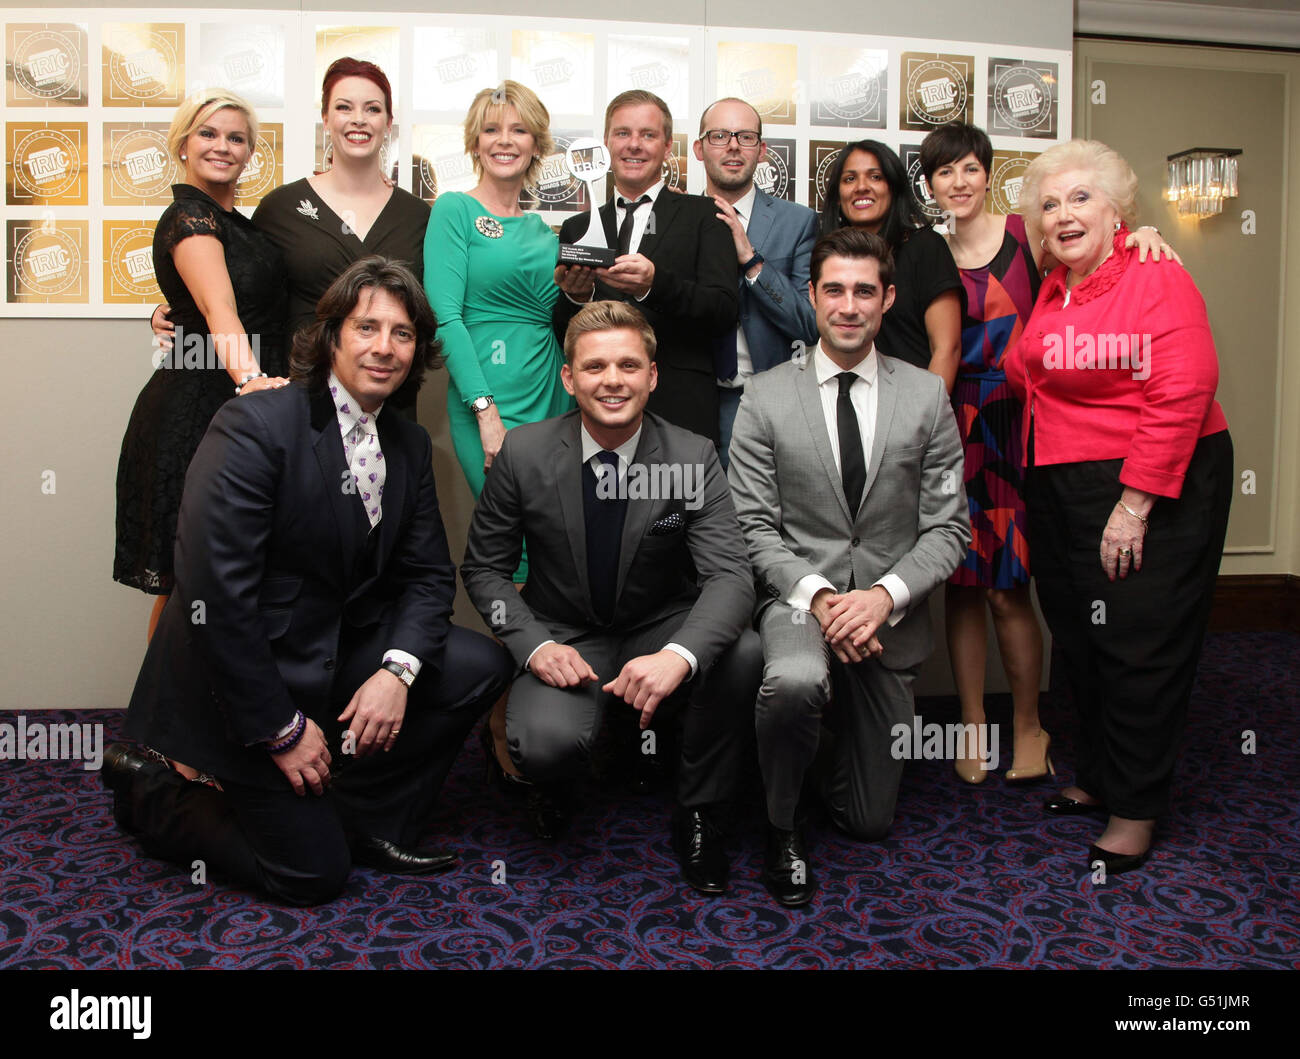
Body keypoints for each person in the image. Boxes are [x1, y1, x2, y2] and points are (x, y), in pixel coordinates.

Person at [102, 258, 514, 906]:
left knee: (476, 662)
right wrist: (281, 728)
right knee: (312, 874)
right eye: (367, 326)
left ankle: (365, 817)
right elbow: (216, 596)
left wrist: (396, 673)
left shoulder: (407, 445)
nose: (384, 346)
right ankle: (150, 792)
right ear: (329, 338)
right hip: (240, 684)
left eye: (402, 333)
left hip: (329, 655)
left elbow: (431, 576)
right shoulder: (256, 424)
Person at [461, 301, 760, 895]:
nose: (613, 380)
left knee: (745, 652)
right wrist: (533, 645)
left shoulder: (692, 456)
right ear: (570, 378)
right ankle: (562, 775)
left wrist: (678, 656)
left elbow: (731, 577)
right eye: (595, 367)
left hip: (658, 628)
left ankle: (700, 811)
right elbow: (485, 571)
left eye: (629, 365)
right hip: (564, 634)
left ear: (653, 375)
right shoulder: (523, 454)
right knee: (545, 746)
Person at [920, 122, 1180, 787]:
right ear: (930, 184)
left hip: (1014, 423)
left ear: (987, 174)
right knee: (961, 587)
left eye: (970, 168)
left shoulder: (1026, 232)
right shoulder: (922, 249)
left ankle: (1030, 722)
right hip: (948, 422)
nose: (959, 182)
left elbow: (1094, 255)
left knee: (1008, 588)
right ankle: (974, 721)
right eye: (944, 172)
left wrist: (1139, 233)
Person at [1005, 140, 1232, 876]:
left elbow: (1184, 386)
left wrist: (1134, 504)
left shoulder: (1155, 272)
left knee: (1138, 640)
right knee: (1081, 632)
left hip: (1148, 480)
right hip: (1061, 478)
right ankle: (1102, 776)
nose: (1063, 214)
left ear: (1117, 211)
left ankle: (1135, 808)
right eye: (1049, 204)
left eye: (1081, 198)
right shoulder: (1055, 283)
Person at [728, 228, 970, 906]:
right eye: (833, 288)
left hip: (888, 617)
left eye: (865, 290)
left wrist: (883, 597)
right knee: (797, 678)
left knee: (868, 821)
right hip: (800, 602)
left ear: (888, 299)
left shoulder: (926, 397)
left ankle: (815, 754)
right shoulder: (765, 395)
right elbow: (751, 525)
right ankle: (780, 824)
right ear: (812, 296)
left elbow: (950, 524)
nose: (848, 304)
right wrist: (827, 598)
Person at [153, 58, 430, 413]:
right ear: (326, 119)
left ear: (389, 123)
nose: (358, 119)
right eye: (344, 107)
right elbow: (237, 284)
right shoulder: (282, 208)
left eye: (372, 108)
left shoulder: (419, 217)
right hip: (301, 404)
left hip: (391, 406)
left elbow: (445, 307)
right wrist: (176, 310)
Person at [115, 89, 288, 640]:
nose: (222, 146)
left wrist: (170, 308)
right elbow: (219, 308)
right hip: (198, 412)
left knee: (233, 578)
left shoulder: (234, 221)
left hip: (236, 408)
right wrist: (252, 380)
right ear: (183, 144)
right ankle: (162, 717)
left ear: (250, 152)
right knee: (187, 581)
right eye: (208, 134)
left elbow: (220, 299)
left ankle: (214, 712)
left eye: (236, 138)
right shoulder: (190, 214)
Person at [553, 90, 738, 445]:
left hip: (681, 408)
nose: (633, 145)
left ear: (668, 146)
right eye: (623, 133)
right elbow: (565, 333)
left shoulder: (705, 216)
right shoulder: (580, 227)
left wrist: (654, 285)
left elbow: (724, 311)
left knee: (680, 502)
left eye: (648, 135)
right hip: (600, 412)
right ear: (607, 143)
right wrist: (576, 298)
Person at [422, 80, 571, 505]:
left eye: (519, 130)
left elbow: (562, 319)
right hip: (487, 398)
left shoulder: (545, 233)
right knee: (510, 537)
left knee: (555, 537)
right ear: (475, 143)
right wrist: (486, 412)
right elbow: (445, 318)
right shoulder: (455, 210)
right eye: (491, 130)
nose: (504, 140)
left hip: (552, 393)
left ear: (537, 145)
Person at [693, 97, 820, 464]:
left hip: (768, 398)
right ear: (699, 149)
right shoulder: (677, 219)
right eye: (719, 136)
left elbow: (808, 325)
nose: (733, 146)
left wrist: (751, 259)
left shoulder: (798, 222)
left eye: (746, 137)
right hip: (693, 398)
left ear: (762, 151)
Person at [818, 140, 961, 390]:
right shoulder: (830, 257)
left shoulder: (926, 248)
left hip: (912, 405)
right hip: (845, 405)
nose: (861, 187)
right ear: (837, 195)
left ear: (893, 187)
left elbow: (947, 348)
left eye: (875, 177)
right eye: (850, 179)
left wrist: (925, 418)